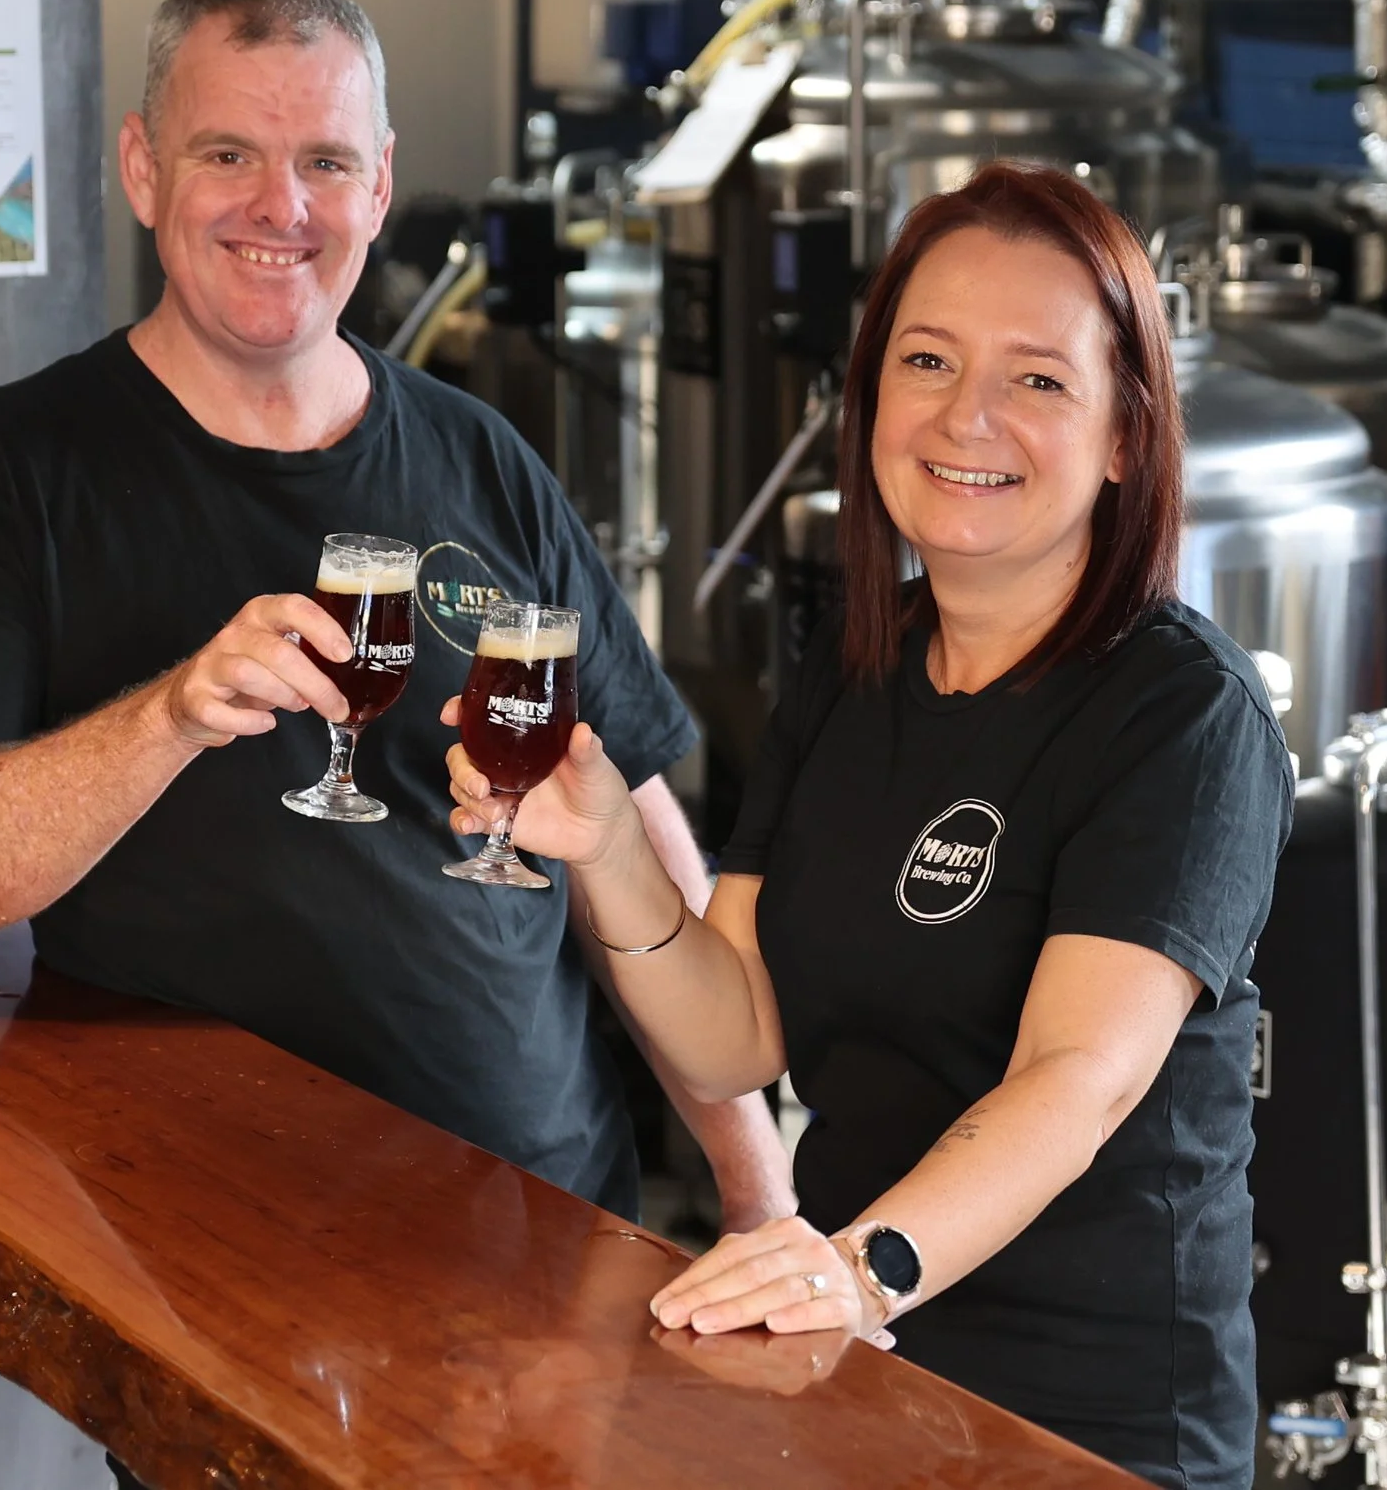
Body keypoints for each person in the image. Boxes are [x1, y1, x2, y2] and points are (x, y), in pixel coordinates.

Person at [0, 0, 791, 1271]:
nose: (281, 208)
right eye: (227, 153)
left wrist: (760, 1195)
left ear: (381, 186)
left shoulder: (483, 459)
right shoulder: (8, 472)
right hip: (208, 1262)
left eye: (326, 163)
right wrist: (172, 717)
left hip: (546, 1230)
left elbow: (628, 832)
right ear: (143, 169)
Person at [444, 162, 1293, 1487]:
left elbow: (1078, 1078)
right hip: (855, 1382)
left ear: (1127, 435)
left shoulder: (1182, 715)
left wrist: (857, 1268)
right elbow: (736, 1031)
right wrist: (607, 848)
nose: (968, 416)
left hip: (1093, 1426)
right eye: (928, 360)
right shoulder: (858, 664)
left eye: (1037, 378)